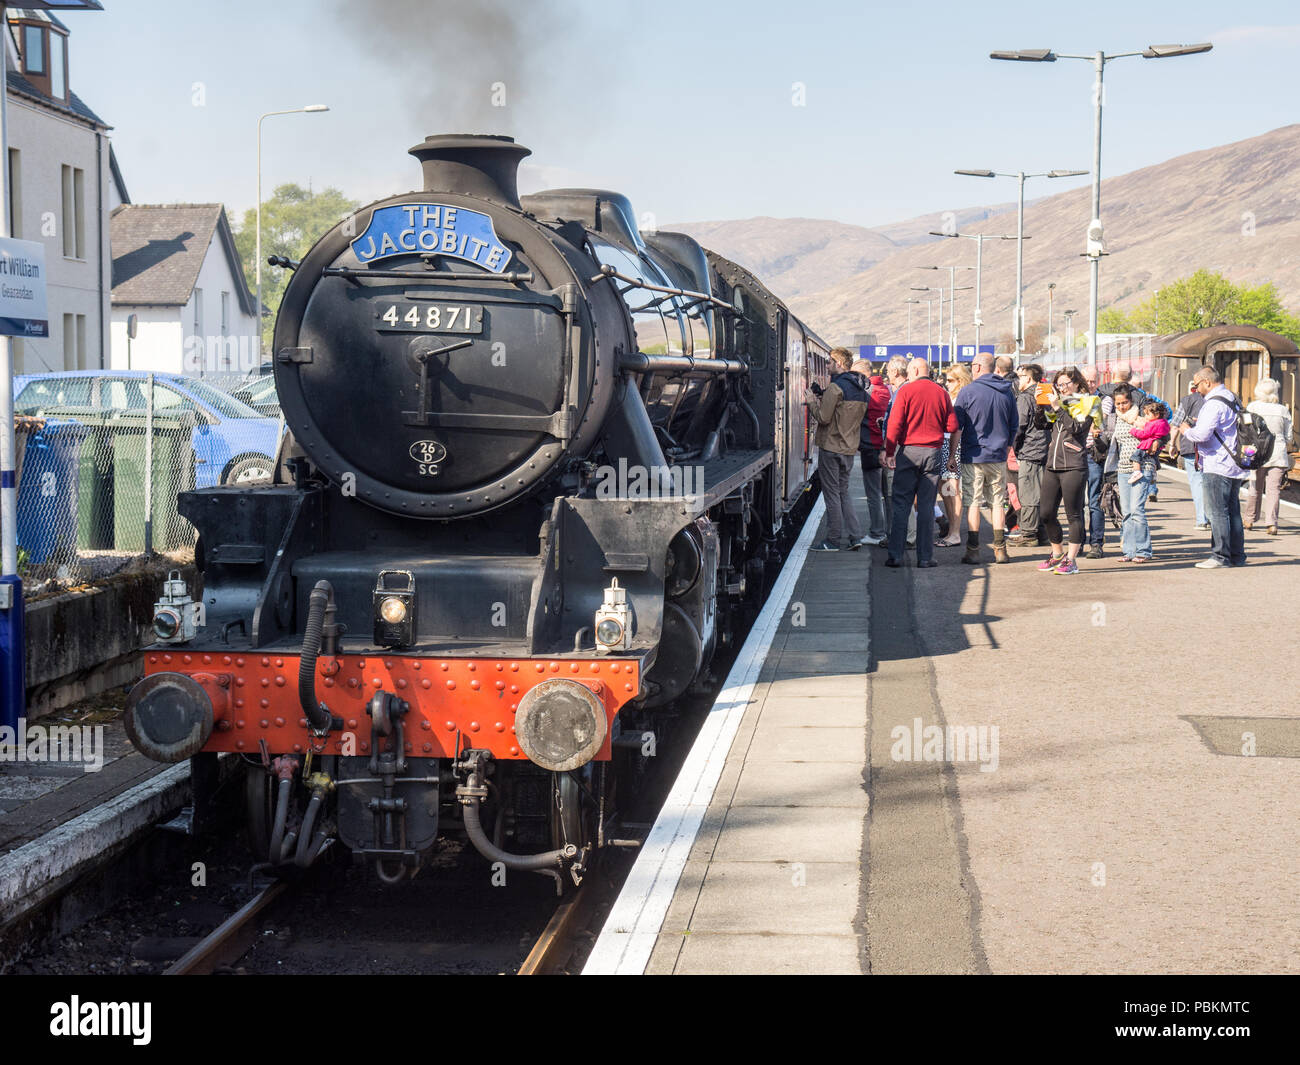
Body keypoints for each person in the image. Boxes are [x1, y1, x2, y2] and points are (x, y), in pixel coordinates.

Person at [884, 358, 959, 568]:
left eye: (909, 371)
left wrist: (890, 451)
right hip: (933, 453)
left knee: (901, 503)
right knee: (926, 505)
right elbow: (952, 425)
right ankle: (925, 557)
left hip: (909, 452)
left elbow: (895, 423)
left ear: (916, 370)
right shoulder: (941, 393)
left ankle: (896, 555)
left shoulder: (906, 391)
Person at [1178, 366, 1248, 569]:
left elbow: (1201, 436)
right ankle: (1236, 555)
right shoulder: (1232, 398)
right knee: (1233, 511)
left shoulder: (1212, 404)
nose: (1195, 389)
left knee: (1216, 512)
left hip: (1217, 464)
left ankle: (1220, 556)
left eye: (1197, 384)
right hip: (1235, 462)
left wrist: (1186, 430)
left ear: (1207, 382)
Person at [953, 352, 1019, 564]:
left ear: (979, 367)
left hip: (973, 455)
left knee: (972, 503)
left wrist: (952, 454)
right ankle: (1001, 550)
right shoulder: (1007, 392)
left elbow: (957, 427)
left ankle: (973, 550)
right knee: (998, 502)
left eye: (973, 365)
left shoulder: (967, 392)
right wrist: (1006, 446)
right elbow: (1013, 425)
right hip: (998, 455)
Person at [1037, 366, 1102, 575]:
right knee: (1046, 513)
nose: (1062, 388)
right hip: (1053, 464)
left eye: (1066, 383)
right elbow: (1042, 425)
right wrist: (1042, 405)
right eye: (1059, 384)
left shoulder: (1089, 402)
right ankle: (1057, 553)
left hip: (1074, 464)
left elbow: (1076, 429)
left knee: (1073, 514)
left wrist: (1057, 408)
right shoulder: (1060, 402)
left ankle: (1072, 560)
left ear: (1077, 384)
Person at [806, 347, 868, 551]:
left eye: (830, 361)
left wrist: (811, 402)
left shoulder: (835, 388)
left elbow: (824, 418)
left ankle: (833, 540)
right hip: (849, 448)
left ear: (839, 364)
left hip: (831, 447)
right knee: (844, 492)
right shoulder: (860, 389)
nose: (827, 365)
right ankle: (855, 536)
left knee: (831, 494)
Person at [1106, 384, 1155, 562]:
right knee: (1126, 511)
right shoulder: (1115, 419)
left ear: (1131, 401)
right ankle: (1129, 550)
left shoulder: (1142, 416)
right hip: (1123, 469)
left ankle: (1143, 550)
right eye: (1118, 403)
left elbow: (1158, 432)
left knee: (1137, 510)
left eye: (1124, 403)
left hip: (1142, 468)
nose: (1121, 407)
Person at [1243, 377, 1293, 535]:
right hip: (1277, 454)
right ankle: (1272, 524)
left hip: (1256, 452)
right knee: (1274, 490)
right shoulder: (1283, 410)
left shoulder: (1252, 407)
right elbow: (1289, 437)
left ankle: (1249, 520)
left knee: (1254, 488)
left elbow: (1245, 430)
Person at [1009, 363, 1049, 547]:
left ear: (1028, 378)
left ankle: (1029, 534)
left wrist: (1014, 447)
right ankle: (1041, 533)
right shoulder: (1046, 393)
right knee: (1039, 493)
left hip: (1030, 450)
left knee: (1028, 494)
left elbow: (1019, 426)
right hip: (1044, 449)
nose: (1018, 380)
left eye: (1020, 376)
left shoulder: (1025, 398)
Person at [852, 358, 890, 546]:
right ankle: (891, 531)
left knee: (873, 494)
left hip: (871, 447)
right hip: (888, 448)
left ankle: (877, 533)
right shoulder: (886, 390)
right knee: (888, 494)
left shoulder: (865, 393)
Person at [936, 366, 971, 547]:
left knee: (951, 490)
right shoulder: (952, 398)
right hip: (946, 445)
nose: (946, 384)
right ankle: (952, 530)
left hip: (953, 447)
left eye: (950, 380)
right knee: (945, 490)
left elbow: (958, 428)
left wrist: (951, 454)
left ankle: (955, 532)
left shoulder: (960, 399)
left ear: (960, 380)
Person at [1169, 381, 1209, 529]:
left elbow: (1176, 425)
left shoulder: (1187, 401)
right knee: (1209, 484)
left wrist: (1172, 444)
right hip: (1213, 449)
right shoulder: (1219, 400)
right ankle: (1211, 517)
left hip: (1191, 447)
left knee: (1197, 483)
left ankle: (1202, 519)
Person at [1127, 399, 1171, 486]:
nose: (1145, 417)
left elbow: (1144, 434)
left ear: (1157, 415)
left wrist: (1133, 431)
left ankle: (1137, 472)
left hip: (1148, 445)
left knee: (1136, 456)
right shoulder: (1164, 422)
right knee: (1154, 458)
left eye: (1147, 414)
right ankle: (1154, 471)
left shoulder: (1153, 424)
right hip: (1157, 446)